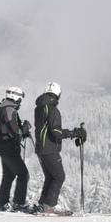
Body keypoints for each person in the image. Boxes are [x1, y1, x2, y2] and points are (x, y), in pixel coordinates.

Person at [34, 82, 86, 213]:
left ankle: (43, 204)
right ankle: (49, 206)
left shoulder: (39, 108)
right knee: (59, 176)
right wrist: (74, 133)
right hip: (49, 148)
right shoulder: (52, 109)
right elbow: (55, 132)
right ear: (58, 94)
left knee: (50, 176)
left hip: (40, 148)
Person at [0, 86, 31, 212]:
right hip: (9, 148)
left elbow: (9, 128)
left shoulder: (3, 107)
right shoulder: (9, 109)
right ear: (15, 97)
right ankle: (19, 203)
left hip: (3, 147)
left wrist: (21, 130)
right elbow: (14, 130)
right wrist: (23, 129)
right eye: (20, 99)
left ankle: (1, 203)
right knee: (23, 174)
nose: (20, 102)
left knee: (8, 175)